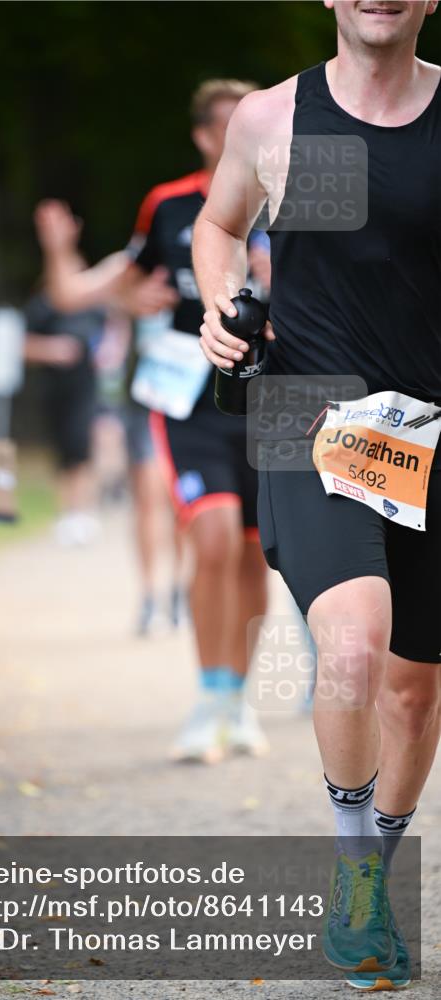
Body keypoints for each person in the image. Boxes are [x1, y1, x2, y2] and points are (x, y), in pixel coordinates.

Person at [194, 1, 439, 989]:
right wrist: (219, 300)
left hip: (430, 428)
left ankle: (375, 865)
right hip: (310, 414)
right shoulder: (271, 119)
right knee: (351, 640)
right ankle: (352, 879)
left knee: (415, 688)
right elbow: (219, 225)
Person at [35, 79, 271, 762]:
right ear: (202, 136)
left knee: (255, 553)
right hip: (188, 404)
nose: (243, 138)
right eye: (229, 126)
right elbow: (89, 289)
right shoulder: (168, 205)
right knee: (215, 534)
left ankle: (236, 699)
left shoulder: (290, 205)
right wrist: (71, 258)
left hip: (264, 404)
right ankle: (207, 697)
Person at [23, 290, 102, 545]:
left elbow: (111, 335)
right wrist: (52, 350)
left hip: (85, 391)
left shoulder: (92, 305)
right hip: (53, 392)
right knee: (61, 454)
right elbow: (22, 345)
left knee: (82, 449)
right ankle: (66, 512)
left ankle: (84, 512)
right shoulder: (41, 306)